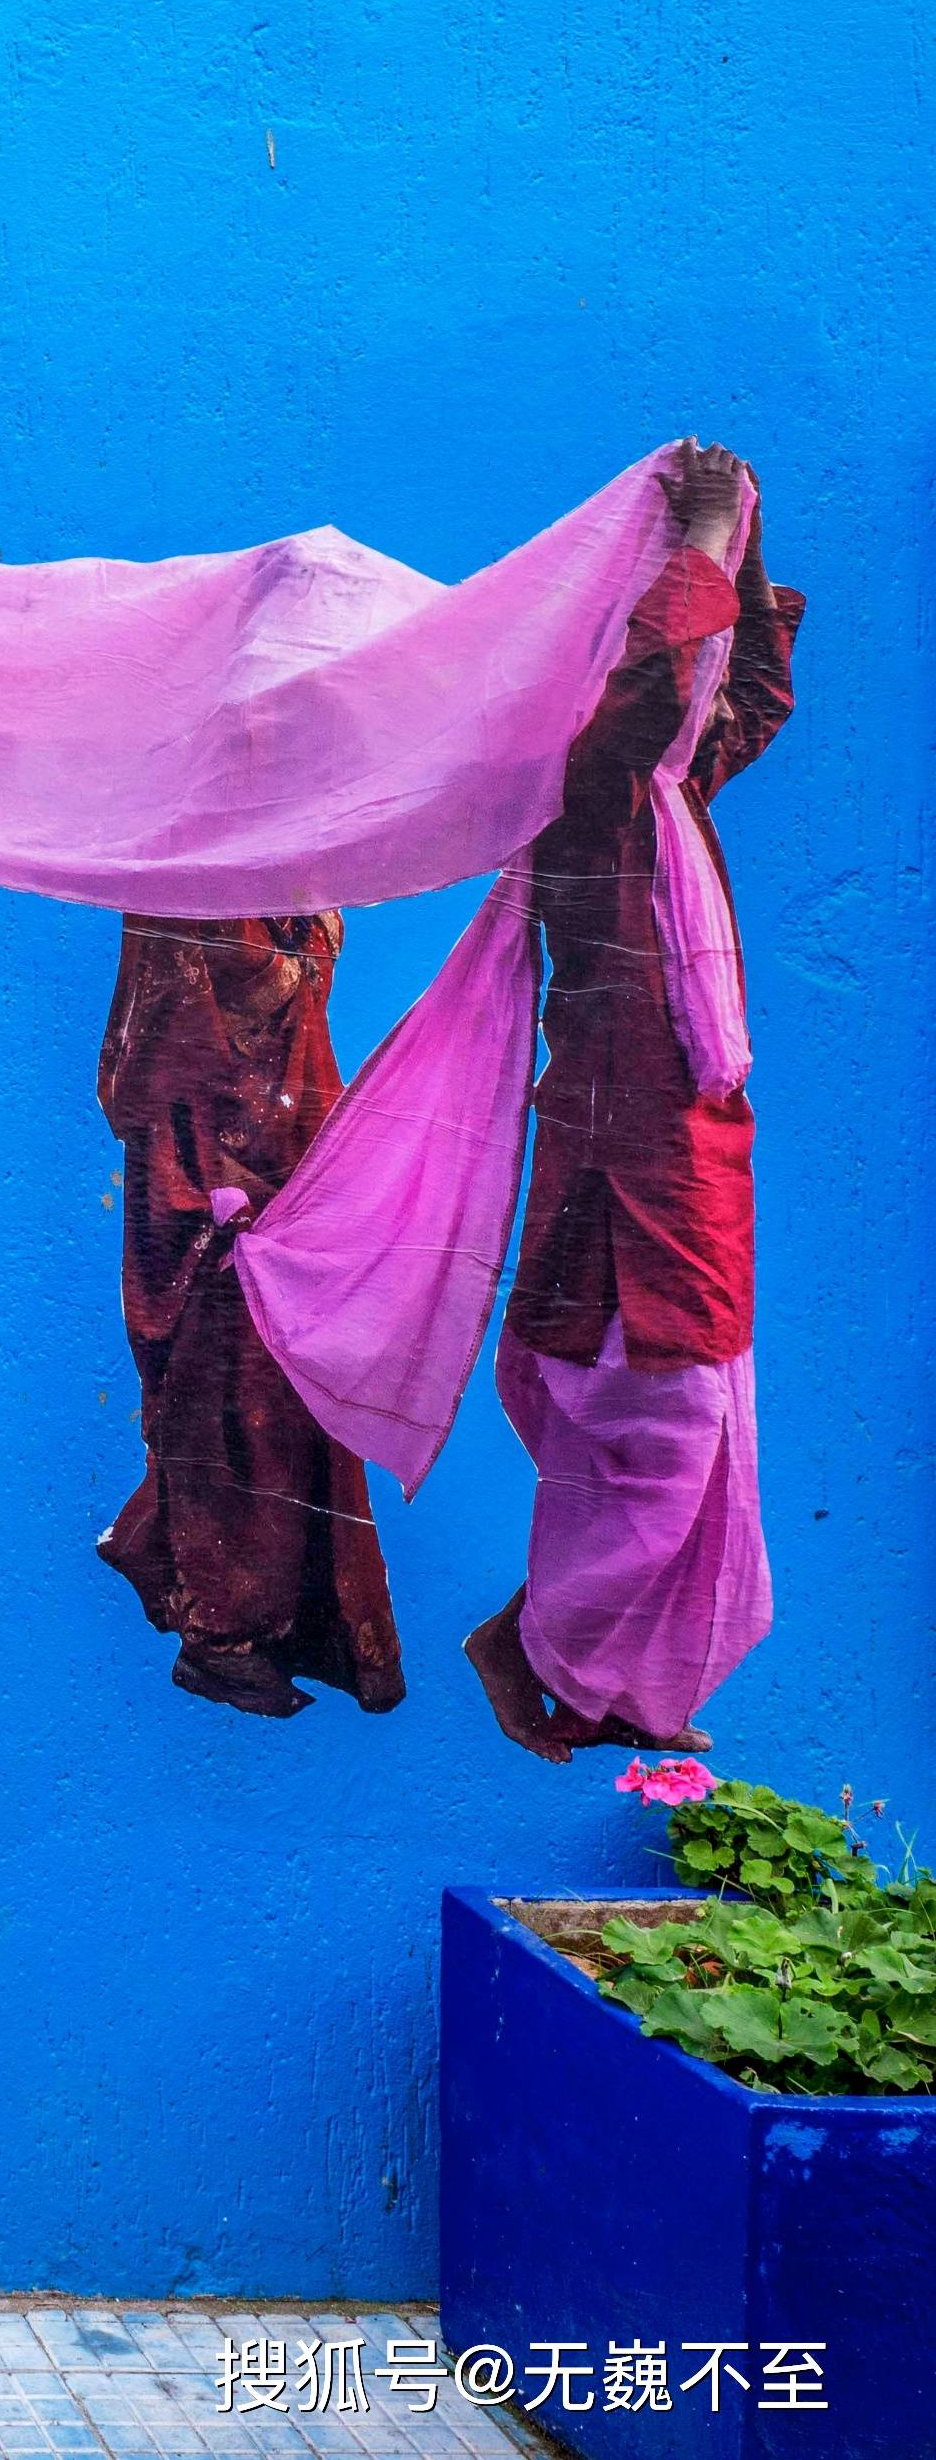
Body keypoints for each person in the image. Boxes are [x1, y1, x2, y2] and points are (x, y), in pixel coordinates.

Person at [468, 442, 799, 1761]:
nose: (698, 693)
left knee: (687, 1433)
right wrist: (703, 535)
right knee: (661, 1426)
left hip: (685, 1143)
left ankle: (593, 1671)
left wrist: (742, 545)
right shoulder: (590, 781)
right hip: (630, 1155)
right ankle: (542, 1646)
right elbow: (662, 686)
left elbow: (745, 695)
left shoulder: (664, 799)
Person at [96, 914, 402, 1717]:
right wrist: (211, 1191)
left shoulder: (296, 866)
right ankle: (222, 1637)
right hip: (212, 1177)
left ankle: (290, 1624)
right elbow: (161, 1055)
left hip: (298, 1161)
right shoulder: (190, 882)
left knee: (295, 1404)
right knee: (231, 1403)